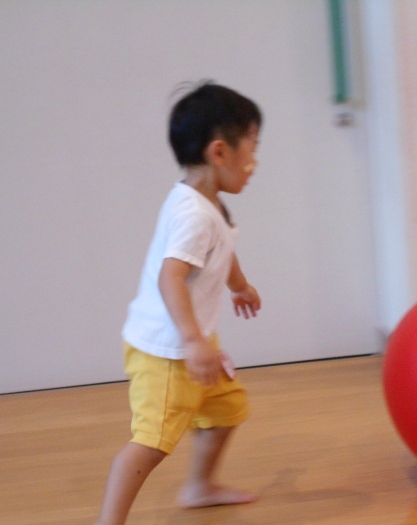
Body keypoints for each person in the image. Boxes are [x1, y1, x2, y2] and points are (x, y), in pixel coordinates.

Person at [95, 83, 263, 525]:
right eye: (253, 148)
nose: (256, 162)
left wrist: (240, 285)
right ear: (220, 152)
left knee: (226, 410)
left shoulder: (207, 203)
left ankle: (199, 487)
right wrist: (192, 340)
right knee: (151, 442)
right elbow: (170, 276)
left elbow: (221, 249)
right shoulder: (194, 214)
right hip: (169, 351)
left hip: (194, 342)